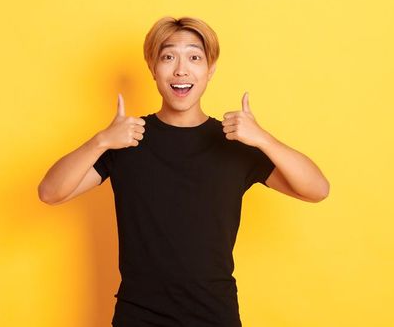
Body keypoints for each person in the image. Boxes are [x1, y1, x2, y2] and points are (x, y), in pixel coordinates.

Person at [37, 16, 329, 326]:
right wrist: (101, 140)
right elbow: (50, 192)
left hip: (214, 316)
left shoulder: (234, 142)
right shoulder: (128, 139)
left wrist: (263, 139)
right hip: (138, 317)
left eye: (194, 57)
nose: (181, 69)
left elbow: (317, 189)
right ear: (153, 69)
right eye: (168, 57)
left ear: (210, 71)